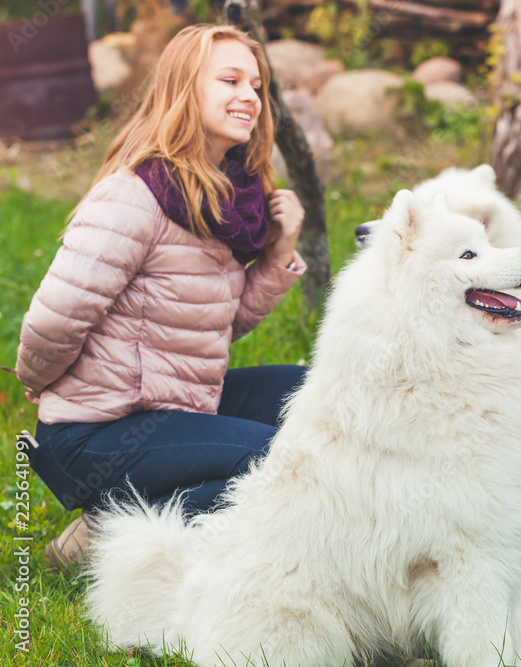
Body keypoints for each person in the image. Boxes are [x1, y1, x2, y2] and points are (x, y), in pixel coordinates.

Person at [15, 24, 308, 572]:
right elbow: (53, 323)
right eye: (230, 80)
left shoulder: (227, 199)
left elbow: (214, 324)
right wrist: (39, 380)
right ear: (184, 88)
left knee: (318, 398)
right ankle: (111, 530)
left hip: (178, 407)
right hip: (96, 432)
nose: (249, 95)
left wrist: (276, 255)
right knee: (287, 462)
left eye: (257, 85)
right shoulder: (134, 196)